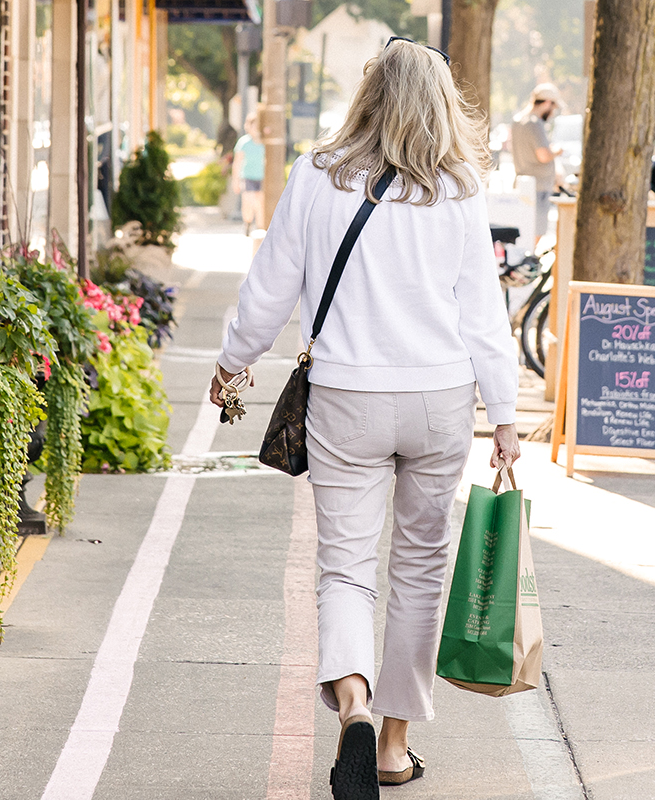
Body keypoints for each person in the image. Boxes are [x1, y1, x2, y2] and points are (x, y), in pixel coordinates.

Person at [208, 37, 521, 800]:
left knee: (345, 566)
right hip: (441, 400)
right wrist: (506, 416)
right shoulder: (458, 186)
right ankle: (393, 745)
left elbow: (272, 283)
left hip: (346, 398)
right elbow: (484, 312)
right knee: (420, 566)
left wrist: (233, 360)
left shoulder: (319, 175)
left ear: (369, 95)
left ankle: (351, 702)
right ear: (442, 101)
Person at [507, 83, 564, 241]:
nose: (552, 113)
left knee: (523, 231)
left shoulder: (518, 120)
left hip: (523, 184)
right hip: (537, 188)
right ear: (547, 103)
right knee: (535, 234)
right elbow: (543, 155)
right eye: (553, 107)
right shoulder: (535, 123)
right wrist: (556, 151)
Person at [234, 113, 267, 233]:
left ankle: (260, 227)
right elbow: (237, 163)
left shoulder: (265, 142)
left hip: (262, 177)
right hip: (248, 176)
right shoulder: (244, 143)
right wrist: (236, 181)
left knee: (260, 202)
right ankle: (247, 223)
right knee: (249, 201)